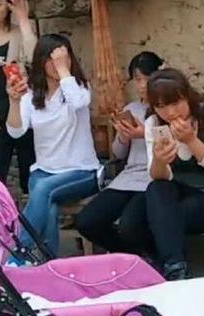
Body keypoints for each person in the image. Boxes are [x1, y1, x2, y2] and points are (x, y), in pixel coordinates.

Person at [6, 34, 100, 258]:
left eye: (64, 57)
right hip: (44, 171)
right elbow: (16, 131)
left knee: (43, 190)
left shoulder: (79, 87)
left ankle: (19, 251)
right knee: (48, 201)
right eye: (53, 59)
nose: (58, 63)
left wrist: (63, 70)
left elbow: (78, 102)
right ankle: (48, 262)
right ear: (41, 61)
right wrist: (14, 101)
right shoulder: (31, 96)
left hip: (82, 171)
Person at [144, 67, 204, 279]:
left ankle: (172, 268)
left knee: (164, 218)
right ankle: (171, 265)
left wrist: (190, 140)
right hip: (179, 189)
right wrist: (160, 160)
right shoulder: (153, 123)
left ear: (187, 96)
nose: (170, 113)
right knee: (148, 201)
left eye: (175, 103)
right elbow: (158, 177)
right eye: (161, 106)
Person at [76, 51, 165, 254]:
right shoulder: (132, 108)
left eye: (146, 78)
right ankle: (129, 255)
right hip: (128, 177)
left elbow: (173, 141)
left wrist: (144, 133)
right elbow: (118, 154)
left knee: (130, 225)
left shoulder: (168, 108)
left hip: (155, 179)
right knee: (87, 221)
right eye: (137, 80)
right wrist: (124, 137)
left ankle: (148, 257)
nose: (142, 85)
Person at [0, 0, 36, 193]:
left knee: (30, 176)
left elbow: (35, 59)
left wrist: (23, 20)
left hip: (21, 112)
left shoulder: (20, 33)